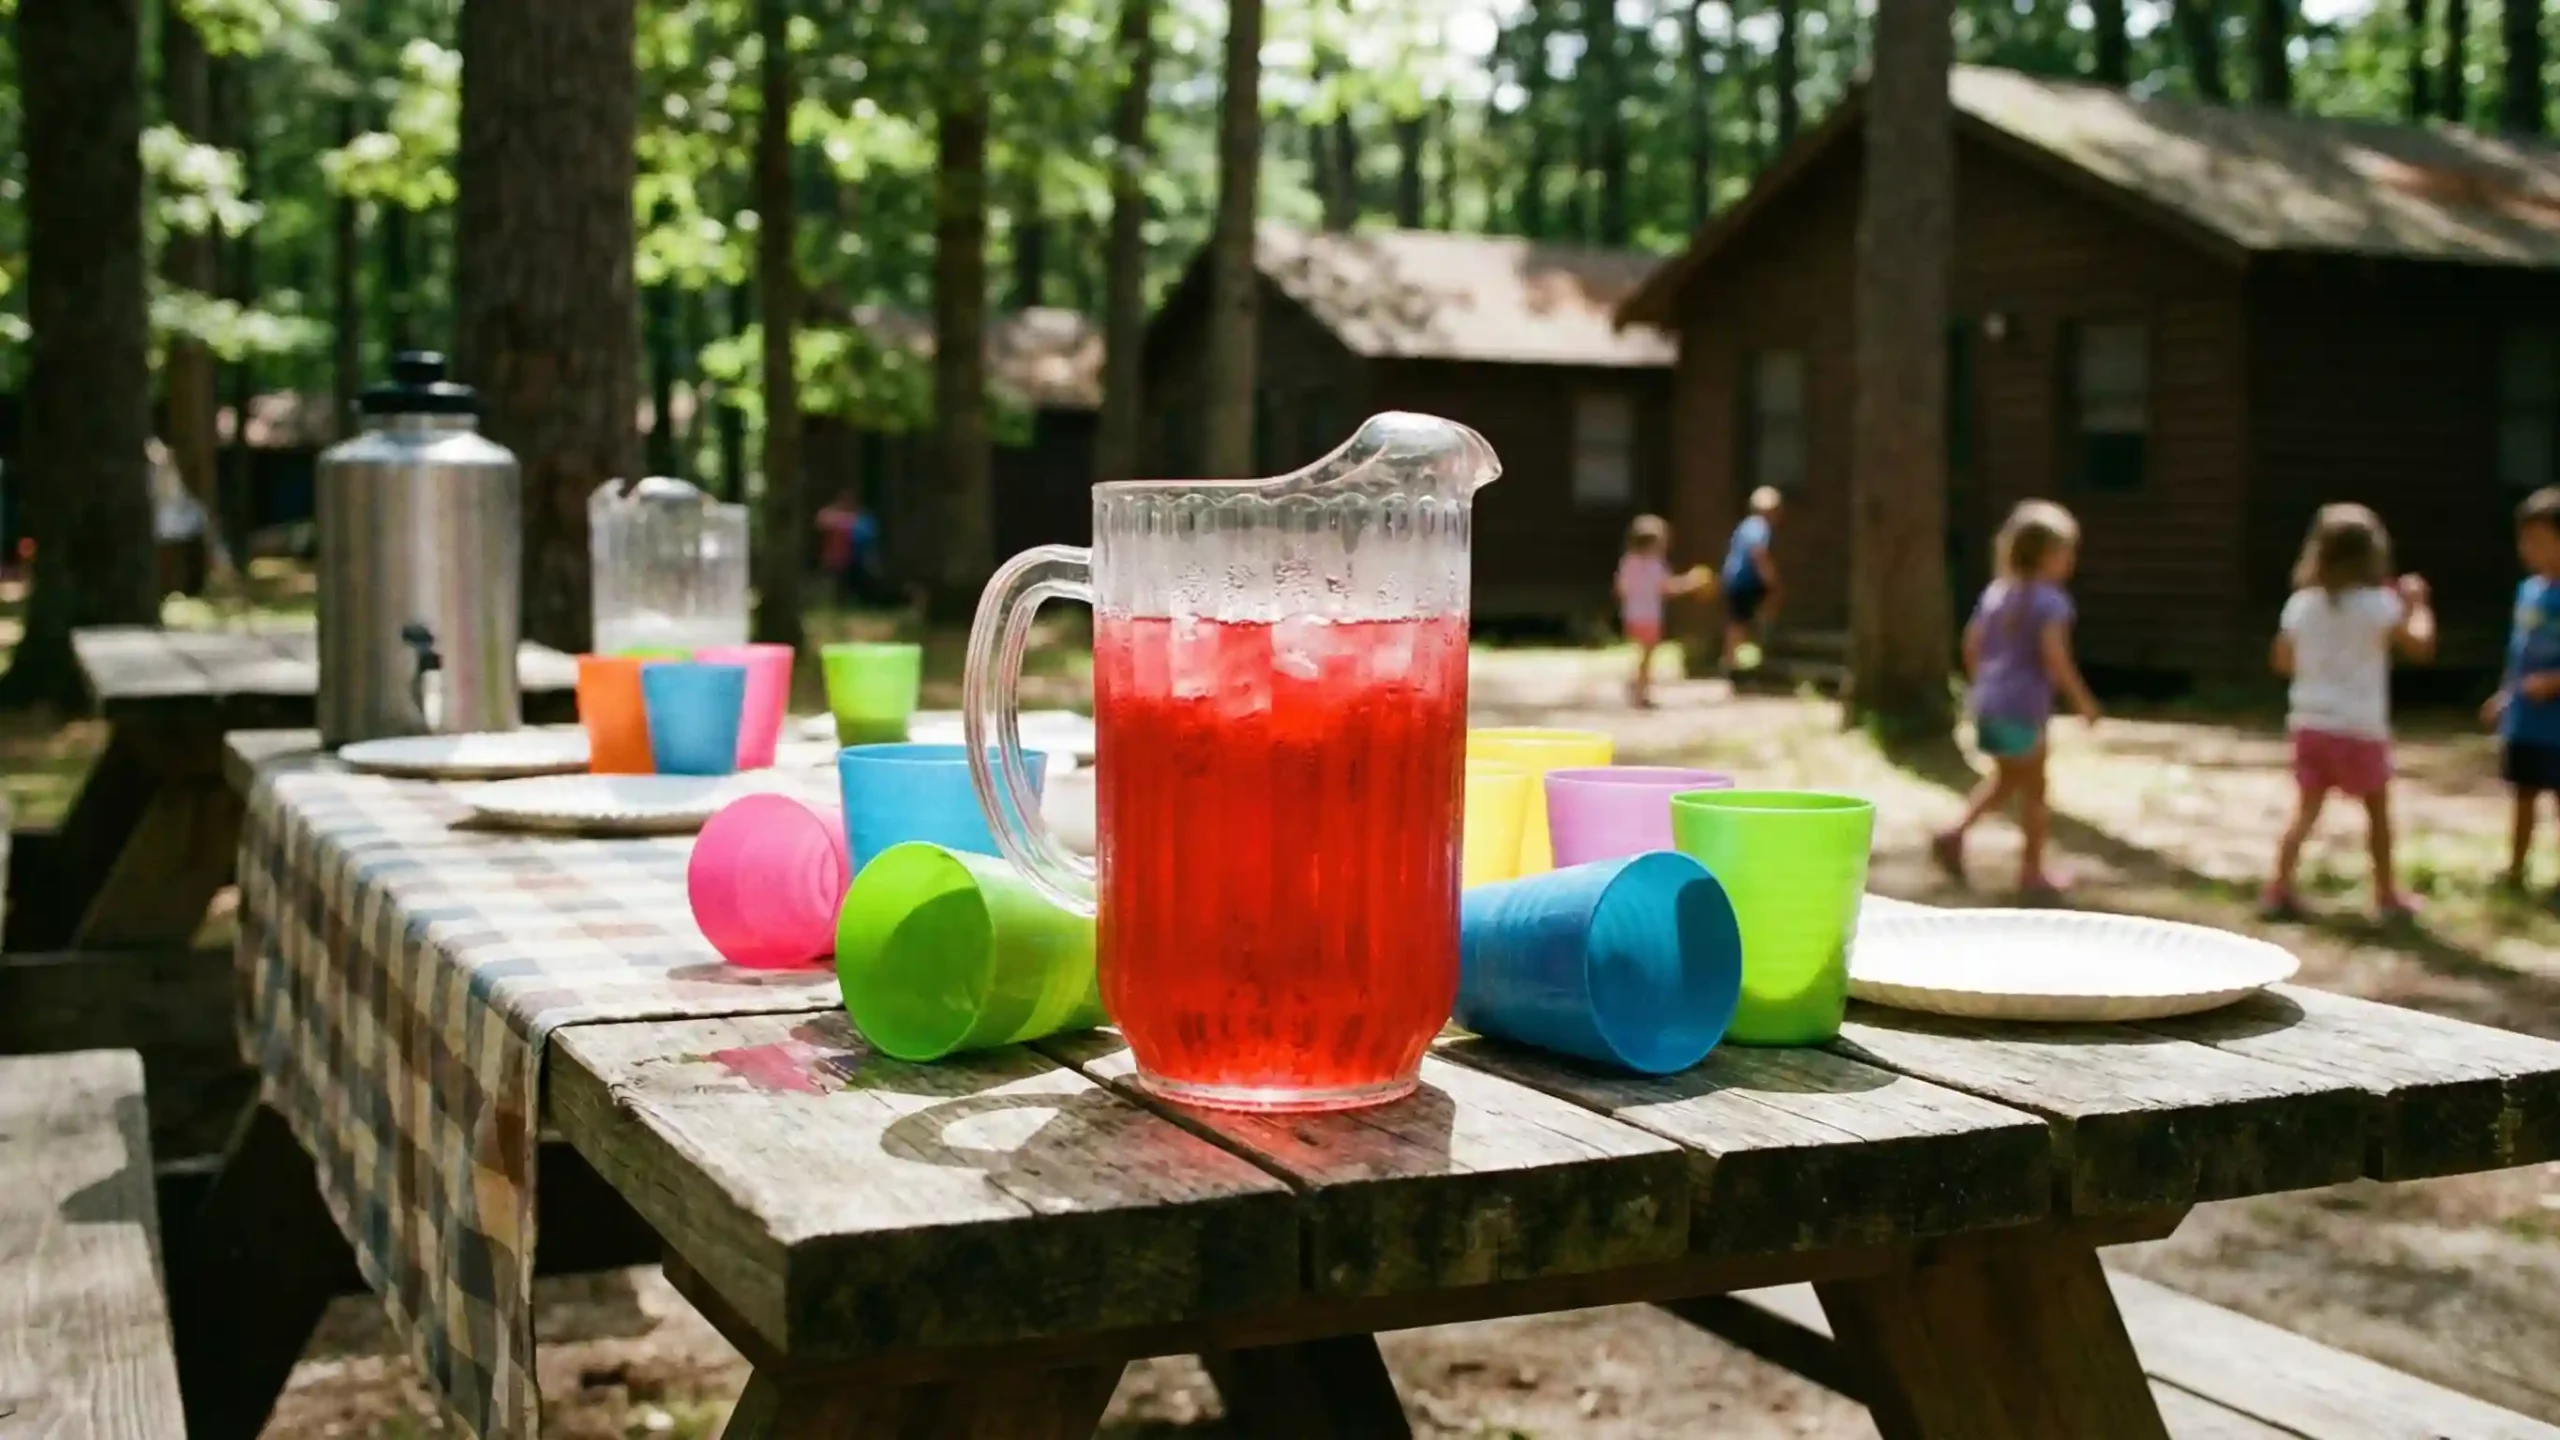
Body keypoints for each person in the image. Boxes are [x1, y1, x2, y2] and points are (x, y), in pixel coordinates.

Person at [2259, 505, 2435, 923]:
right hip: (2360, 727)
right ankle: (2387, 894)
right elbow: (2420, 647)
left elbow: (2282, 661)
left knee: (2304, 811)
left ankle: (2278, 888)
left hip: (2310, 724)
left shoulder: (2302, 604)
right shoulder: (2379, 605)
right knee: (2376, 813)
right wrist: (2418, 604)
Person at [1931, 499, 2100, 901]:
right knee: (2036, 791)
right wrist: (2083, 701)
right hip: (2024, 708)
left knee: (2007, 780)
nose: (2071, 560)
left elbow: (1971, 645)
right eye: (2066, 551)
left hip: (1988, 702)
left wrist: (1984, 685)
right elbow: (2054, 656)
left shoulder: (1996, 593)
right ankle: (2031, 872)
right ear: (2046, 555)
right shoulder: (2052, 601)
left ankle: (1954, 834)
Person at [2487, 486, 2560, 900]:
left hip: (2557, 721)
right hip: (2526, 720)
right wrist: (2505, 694)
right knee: (2523, 793)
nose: (2528, 549)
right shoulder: (2528, 590)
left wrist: (2553, 682)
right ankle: (2515, 868)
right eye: (2524, 540)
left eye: (2539, 541)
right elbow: (2518, 652)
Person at [1614, 514, 1713, 708]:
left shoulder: (1628, 561)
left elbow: (1620, 587)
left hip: (1632, 614)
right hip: (1650, 615)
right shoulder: (1656, 565)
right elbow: (1667, 588)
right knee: (1647, 655)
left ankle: (1637, 685)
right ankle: (1640, 693)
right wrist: (1691, 581)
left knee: (1642, 653)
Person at [1719, 487, 1784, 671]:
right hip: (1745, 579)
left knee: (1737, 620)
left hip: (1735, 577)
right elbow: (1758, 552)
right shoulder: (1759, 526)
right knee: (1741, 620)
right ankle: (1737, 660)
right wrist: (1770, 578)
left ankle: (1733, 659)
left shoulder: (1746, 524)